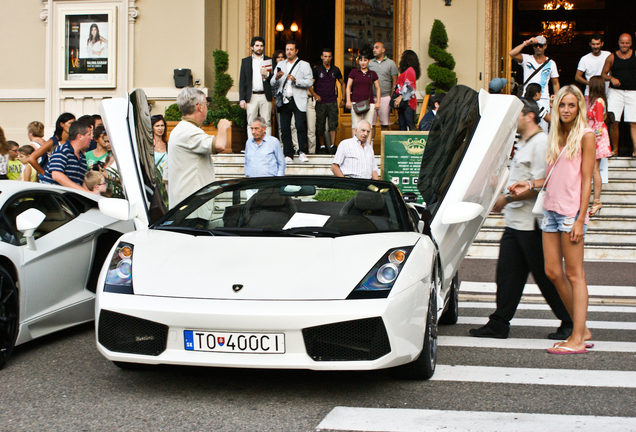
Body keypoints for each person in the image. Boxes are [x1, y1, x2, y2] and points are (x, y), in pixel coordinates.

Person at [469, 98, 572, 340]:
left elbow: (541, 185)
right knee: (507, 274)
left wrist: (506, 199)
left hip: (532, 225)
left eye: (516, 115)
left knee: (548, 276)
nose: (512, 121)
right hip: (516, 222)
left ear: (529, 116)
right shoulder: (523, 142)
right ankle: (499, 322)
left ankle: (570, 321)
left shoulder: (541, 143)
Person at [509, 85, 595, 354]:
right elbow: (552, 177)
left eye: (571, 105)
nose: (566, 110)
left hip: (571, 213)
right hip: (550, 209)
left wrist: (581, 218)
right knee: (552, 272)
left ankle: (577, 338)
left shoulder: (586, 135)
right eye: (562, 105)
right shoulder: (556, 135)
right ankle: (582, 329)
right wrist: (528, 183)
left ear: (579, 107)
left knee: (574, 274)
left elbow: (586, 180)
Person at [167, 87, 230, 209]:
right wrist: (222, 127)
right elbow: (220, 145)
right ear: (199, 107)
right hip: (192, 208)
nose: (207, 108)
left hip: (185, 206)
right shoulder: (189, 131)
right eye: (206, 104)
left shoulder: (180, 130)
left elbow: (166, 178)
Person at [271, 40, 313, 163]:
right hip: (284, 99)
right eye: (287, 49)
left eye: (291, 49)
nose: (288, 52)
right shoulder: (280, 64)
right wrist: (276, 78)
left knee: (299, 126)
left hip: (298, 99)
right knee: (284, 128)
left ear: (296, 51)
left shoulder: (304, 65)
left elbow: (309, 82)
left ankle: (301, 151)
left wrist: (296, 80)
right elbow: (272, 82)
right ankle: (288, 154)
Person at [510, 35, 560, 130]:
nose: (538, 47)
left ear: (545, 46)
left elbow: (555, 83)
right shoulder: (527, 59)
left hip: (543, 98)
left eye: (540, 45)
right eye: (535, 45)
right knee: (526, 126)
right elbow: (512, 54)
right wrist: (527, 42)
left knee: (543, 128)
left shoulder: (551, 63)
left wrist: (556, 100)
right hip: (527, 97)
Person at [601, 33, 636, 157]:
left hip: (633, 91)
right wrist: (611, 78)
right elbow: (603, 74)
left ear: (631, 43)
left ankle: (635, 150)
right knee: (614, 121)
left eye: (627, 43)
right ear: (618, 43)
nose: (624, 45)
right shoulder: (612, 57)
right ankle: (615, 149)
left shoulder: (635, 55)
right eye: (622, 42)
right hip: (616, 92)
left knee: (634, 122)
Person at [41, 121, 92, 191]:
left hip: (66, 199)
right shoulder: (62, 150)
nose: (91, 138)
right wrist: (84, 191)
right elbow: (56, 175)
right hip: (53, 198)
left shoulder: (82, 158)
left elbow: (80, 182)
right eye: (89, 135)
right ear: (79, 137)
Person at [239, 37, 274, 138]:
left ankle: (267, 146)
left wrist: (267, 74)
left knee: (267, 121)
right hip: (251, 96)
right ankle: (251, 146)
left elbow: (273, 80)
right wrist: (242, 99)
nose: (259, 48)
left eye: (261, 46)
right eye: (257, 46)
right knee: (251, 122)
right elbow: (242, 81)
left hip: (265, 95)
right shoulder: (245, 61)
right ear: (252, 47)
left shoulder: (269, 60)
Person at [587, 76, 612, 216]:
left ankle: (596, 200)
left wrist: (593, 141)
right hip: (595, 136)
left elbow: (598, 123)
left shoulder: (598, 101)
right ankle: (595, 200)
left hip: (596, 137)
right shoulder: (598, 101)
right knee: (594, 169)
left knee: (595, 169)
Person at [313, 48, 344, 155]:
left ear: (331, 57)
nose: (327, 58)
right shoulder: (317, 70)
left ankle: (332, 146)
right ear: (321, 57)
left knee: (333, 124)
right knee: (320, 125)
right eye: (325, 56)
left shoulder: (335, 70)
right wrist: (315, 94)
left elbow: (342, 83)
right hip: (320, 102)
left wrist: (343, 98)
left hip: (332, 101)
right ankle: (322, 146)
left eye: (329, 56)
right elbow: (310, 85)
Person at [28, 112, 75, 178]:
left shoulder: (72, 141)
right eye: (70, 123)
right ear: (61, 124)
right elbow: (31, 158)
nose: (73, 126)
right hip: (52, 179)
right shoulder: (53, 141)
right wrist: (44, 174)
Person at [346, 51, 381, 137]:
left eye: (365, 60)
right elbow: (348, 87)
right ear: (358, 61)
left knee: (368, 126)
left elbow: (378, 88)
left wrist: (378, 102)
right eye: (361, 60)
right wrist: (348, 101)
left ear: (369, 61)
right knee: (355, 126)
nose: (363, 62)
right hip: (355, 102)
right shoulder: (353, 72)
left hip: (369, 103)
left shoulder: (372, 74)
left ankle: (368, 147)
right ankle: (355, 147)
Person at [368, 42, 398, 140]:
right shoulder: (370, 63)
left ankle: (385, 149)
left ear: (383, 50)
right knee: (370, 125)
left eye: (377, 47)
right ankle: (369, 149)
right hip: (371, 98)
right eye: (373, 48)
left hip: (385, 97)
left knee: (384, 124)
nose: (374, 50)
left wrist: (391, 96)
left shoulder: (391, 63)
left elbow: (395, 81)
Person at [575, 34, 611, 99]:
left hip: (606, 93)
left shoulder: (608, 55)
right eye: (593, 44)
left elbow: (612, 70)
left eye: (597, 44)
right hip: (590, 94)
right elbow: (577, 77)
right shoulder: (584, 59)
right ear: (590, 44)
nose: (595, 46)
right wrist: (590, 83)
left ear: (602, 44)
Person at [393, 50, 421, 131]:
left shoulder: (410, 70)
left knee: (409, 123)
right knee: (402, 125)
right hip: (404, 102)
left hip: (408, 102)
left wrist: (400, 97)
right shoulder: (408, 71)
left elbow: (410, 87)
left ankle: (413, 142)